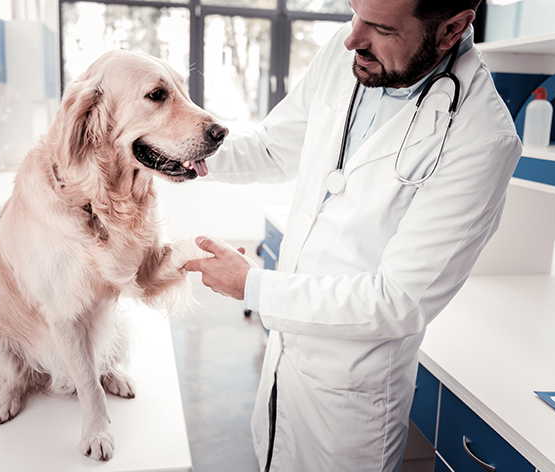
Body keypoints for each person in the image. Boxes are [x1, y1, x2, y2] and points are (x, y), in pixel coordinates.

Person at [184, 0, 522, 470]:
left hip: (350, 402)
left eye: (380, 28)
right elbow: (273, 148)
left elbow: (397, 300)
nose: (351, 38)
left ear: (450, 30)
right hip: (284, 367)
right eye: (353, 12)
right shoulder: (351, 55)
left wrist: (252, 286)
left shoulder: (482, 137)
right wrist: (183, 152)